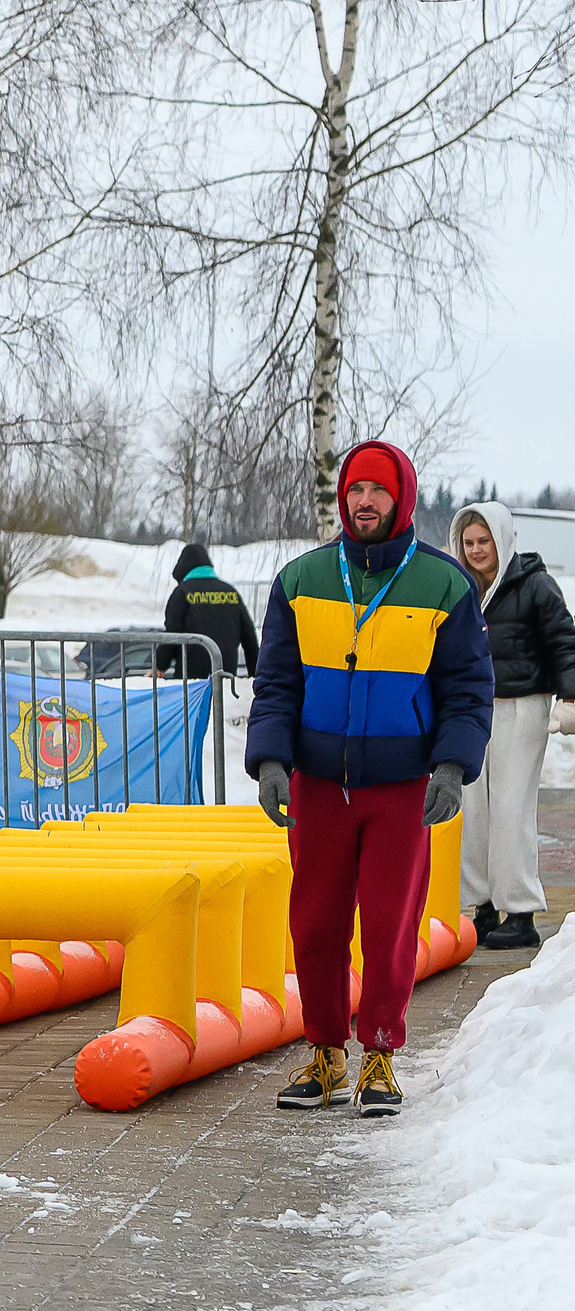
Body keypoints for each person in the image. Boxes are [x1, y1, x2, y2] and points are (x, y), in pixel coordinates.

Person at [247, 440, 492, 1117]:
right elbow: (275, 683)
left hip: (400, 787)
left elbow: (470, 689)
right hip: (320, 784)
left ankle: (380, 1056)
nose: (363, 503)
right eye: (355, 490)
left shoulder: (445, 585)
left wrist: (451, 764)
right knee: (316, 924)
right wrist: (270, 758)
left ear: (402, 499)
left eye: (377, 492)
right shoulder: (301, 579)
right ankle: (324, 1053)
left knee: (391, 926)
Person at [448, 502, 575, 950]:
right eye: (469, 542)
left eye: (485, 541)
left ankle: (520, 912)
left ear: (502, 540)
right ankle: (481, 907)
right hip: (472, 707)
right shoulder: (459, 589)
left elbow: (564, 640)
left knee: (510, 807)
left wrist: (571, 695)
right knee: (472, 810)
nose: (477, 550)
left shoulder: (535, 585)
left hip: (522, 706)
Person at [158, 541, 260, 677]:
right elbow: (249, 638)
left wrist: (160, 665)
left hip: (191, 685)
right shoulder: (230, 592)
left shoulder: (182, 593)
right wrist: (256, 674)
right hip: (224, 681)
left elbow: (172, 634)